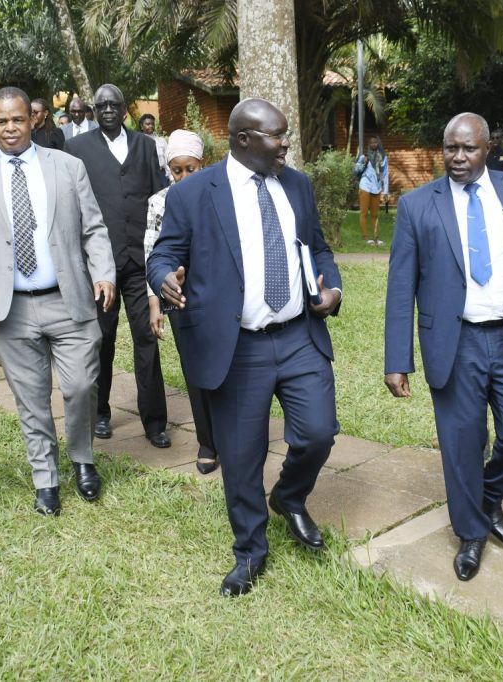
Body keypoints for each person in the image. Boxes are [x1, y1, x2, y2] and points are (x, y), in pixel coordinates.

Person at [148, 98, 343, 597]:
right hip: (238, 346)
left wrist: (332, 288)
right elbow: (164, 252)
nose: (285, 145)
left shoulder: (295, 184)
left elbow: (318, 247)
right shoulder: (193, 194)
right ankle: (250, 550)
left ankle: (290, 497)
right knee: (241, 457)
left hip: (299, 334)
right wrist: (164, 278)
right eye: (276, 136)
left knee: (319, 432)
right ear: (243, 140)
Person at [384, 112, 503, 582]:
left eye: (468, 149)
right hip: (454, 341)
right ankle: (470, 533)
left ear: (488, 149)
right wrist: (397, 360)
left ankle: (487, 497)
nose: (457, 157)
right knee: (461, 443)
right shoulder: (418, 205)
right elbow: (401, 286)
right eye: (450, 148)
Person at [0, 87, 116, 513]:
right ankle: (46, 479)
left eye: (17, 120)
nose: (9, 128)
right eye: (1, 121)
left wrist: (104, 273)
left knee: (81, 386)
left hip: (69, 300)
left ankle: (82, 458)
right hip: (11, 307)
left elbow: (93, 228)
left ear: (33, 120)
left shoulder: (67, 166)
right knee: (31, 396)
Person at [64, 84, 170, 448]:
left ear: (126, 109)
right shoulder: (77, 149)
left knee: (146, 339)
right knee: (101, 340)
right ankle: (101, 413)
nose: (108, 109)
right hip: (101, 266)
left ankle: (155, 421)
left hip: (140, 262)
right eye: (101, 105)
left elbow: (159, 201)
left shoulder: (145, 146)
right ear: (93, 110)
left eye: (114, 104)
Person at [143, 129, 217, 475]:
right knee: (196, 371)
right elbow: (151, 253)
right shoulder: (160, 201)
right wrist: (156, 303)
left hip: (219, 296)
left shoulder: (221, 197)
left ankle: (234, 437)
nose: (184, 177)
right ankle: (207, 442)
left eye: (191, 169)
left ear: (204, 165)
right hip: (180, 298)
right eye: (177, 170)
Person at [354, 134, 389, 246]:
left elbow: (385, 174)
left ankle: (376, 238)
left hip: (377, 187)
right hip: (365, 186)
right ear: (368, 144)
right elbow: (355, 170)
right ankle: (366, 237)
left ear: (378, 143)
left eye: (376, 142)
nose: (374, 144)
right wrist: (363, 163)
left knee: (375, 214)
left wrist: (386, 191)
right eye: (371, 142)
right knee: (364, 212)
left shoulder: (383, 157)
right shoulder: (363, 156)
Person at [138, 113, 169, 180]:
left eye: (152, 124)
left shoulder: (161, 141)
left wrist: (170, 175)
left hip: (162, 174)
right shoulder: (138, 142)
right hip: (147, 176)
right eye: (148, 124)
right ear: (141, 126)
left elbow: (167, 159)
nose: (151, 126)